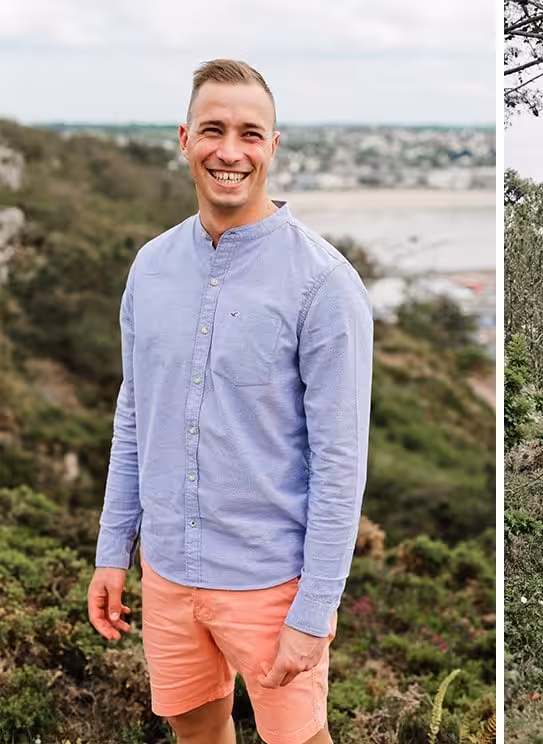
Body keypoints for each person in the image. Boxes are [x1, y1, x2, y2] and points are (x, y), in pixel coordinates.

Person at [86, 59, 373, 744]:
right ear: (185, 139)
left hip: (271, 586)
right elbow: (135, 415)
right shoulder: (149, 268)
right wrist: (111, 551)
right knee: (196, 735)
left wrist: (315, 610)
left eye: (250, 133)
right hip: (167, 573)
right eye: (213, 129)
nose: (230, 150)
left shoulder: (325, 284)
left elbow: (340, 463)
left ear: (273, 147)